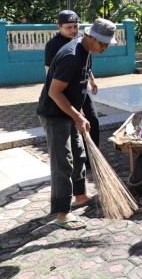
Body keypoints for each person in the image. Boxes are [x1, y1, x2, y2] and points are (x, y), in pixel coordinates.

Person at [37, 18, 118, 230]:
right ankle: (62, 213)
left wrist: (80, 113)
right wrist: (77, 116)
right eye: (102, 43)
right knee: (63, 162)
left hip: (70, 112)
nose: (105, 48)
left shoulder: (87, 51)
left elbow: (77, 87)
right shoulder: (70, 56)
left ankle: (80, 195)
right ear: (90, 37)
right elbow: (55, 92)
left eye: (107, 44)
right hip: (54, 114)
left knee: (79, 152)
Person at [44, 10, 100, 170]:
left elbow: (86, 62)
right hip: (63, 90)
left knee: (93, 119)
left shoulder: (83, 38)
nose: (73, 30)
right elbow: (49, 71)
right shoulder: (53, 45)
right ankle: (77, 159)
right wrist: (54, 94)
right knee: (73, 121)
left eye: (76, 26)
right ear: (59, 26)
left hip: (82, 85)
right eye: (68, 27)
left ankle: (92, 158)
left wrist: (92, 79)